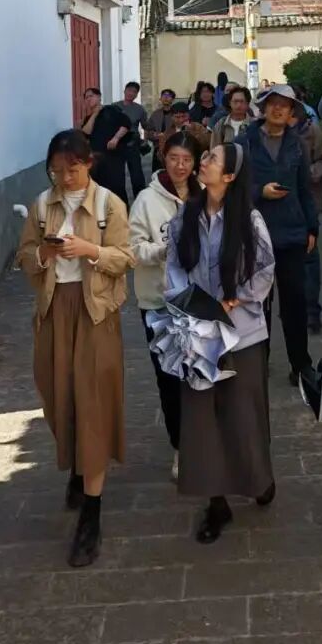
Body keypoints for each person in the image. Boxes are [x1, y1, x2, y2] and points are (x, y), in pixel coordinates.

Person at [17, 129, 134, 567]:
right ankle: (80, 466)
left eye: (73, 169)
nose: (65, 178)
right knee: (58, 398)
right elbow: (25, 256)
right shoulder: (41, 206)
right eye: (57, 170)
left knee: (93, 404)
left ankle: (92, 513)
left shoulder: (108, 205)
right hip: (54, 311)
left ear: (89, 164)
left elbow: (125, 257)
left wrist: (90, 250)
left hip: (95, 312)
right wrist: (44, 256)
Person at [166, 141, 275, 542]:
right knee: (202, 419)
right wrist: (189, 303)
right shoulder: (185, 217)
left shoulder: (249, 221)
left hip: (241, 333)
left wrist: (236, 297)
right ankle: (216, 503)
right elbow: (174, 266)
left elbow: (265, 270)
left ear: (229, 176)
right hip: (198, 332)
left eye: (212, 159)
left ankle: (257, 478)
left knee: (243, 414)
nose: (203, 162)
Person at [129, 131, 200, 478]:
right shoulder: (146, 200)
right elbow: (132, 249)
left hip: (200, 303)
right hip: (159, 302)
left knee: (200, 375)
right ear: (163, 157)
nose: (180, 166)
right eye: (174, 158)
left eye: (186, 159)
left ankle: (205, 443)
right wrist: (163, 250)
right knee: (169, 378)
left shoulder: (205, 194)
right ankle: (181, 447)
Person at [238, 84, 318, 385]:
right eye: (273, 103)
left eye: (285, 105)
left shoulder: (297, 144)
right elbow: (233, 186)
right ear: (263, 108)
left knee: (295, 302)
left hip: (291, 233)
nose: (278, 109)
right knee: (258, 303)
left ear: (292, 111)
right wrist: (260, 192)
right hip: (255, 234)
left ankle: (301, 365)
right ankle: (258, 363)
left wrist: (312, 227)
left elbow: (305, 188)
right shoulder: (245, 142)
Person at [292, 103, 322, 335]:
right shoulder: (267, 134)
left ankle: (312, 313)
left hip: (307, 205)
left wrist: (307, 173)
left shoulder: (312, 131)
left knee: (309, 259)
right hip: (278, 207)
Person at [82, 89, 133, 198]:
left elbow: (126, 123)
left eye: (91, 96)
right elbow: (86, 132)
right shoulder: (88, 118)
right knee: (98, 189)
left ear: (99, 97)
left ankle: (120, 207)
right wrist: (95, 114)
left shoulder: (111, 110)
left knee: (116, 188)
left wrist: (116, 138)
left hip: (114, 156)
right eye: (86, 98)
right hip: (97, 159)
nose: (89, 99)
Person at [117, 81, 149, 198]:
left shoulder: (139, 109)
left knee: (136, 173)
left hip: (133, 143)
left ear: (136, 94)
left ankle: (140, 198)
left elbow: (146, 126)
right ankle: (120, 199)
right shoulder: (115, 107)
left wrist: (145, 140)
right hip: (118, 143)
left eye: (134, 92)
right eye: (129, 90)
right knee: (117, 173)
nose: (131, 93)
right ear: (124, 91)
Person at [145, 88, 177, 171]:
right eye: (164, 95)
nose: (166, 98)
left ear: (173, 99)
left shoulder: (177, 114)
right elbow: (148, 130)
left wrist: (166, 136)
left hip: (173, 148)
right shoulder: (155, 114)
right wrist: (154, 135)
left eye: (168, 96)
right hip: (158, 148)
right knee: (157, 173)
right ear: (160, 98)